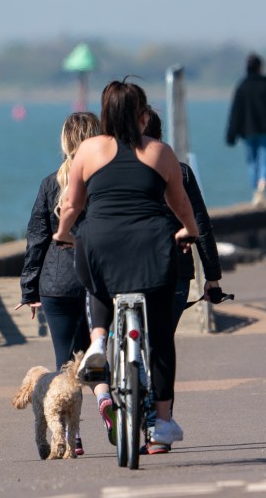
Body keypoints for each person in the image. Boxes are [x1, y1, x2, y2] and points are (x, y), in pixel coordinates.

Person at [53, 80, 200, 450]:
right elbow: (180, 203)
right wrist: (190, 231)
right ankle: (162, 422)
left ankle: (98, 340)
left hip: (99, 242)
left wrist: (62, 232)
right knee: (162, 336)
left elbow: (71, 204)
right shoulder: (159, 152)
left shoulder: (89, 150)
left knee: (100, 281)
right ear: (143, 114)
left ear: (104, 114)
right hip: (152, 246)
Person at [16, 111, 101, 455]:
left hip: (57, 283)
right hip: (97, 281)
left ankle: (71, 437)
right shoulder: (106, 182)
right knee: (95, 357)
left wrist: (29, 288)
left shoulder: (51, 183)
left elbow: (37, 237)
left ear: (65, 141)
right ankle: (109, 404)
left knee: (65, 364)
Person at [141, 107, 221, 454]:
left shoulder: (116, 169)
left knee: (136, 342)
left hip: (128, 265)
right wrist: (212, 278)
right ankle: (161, 422)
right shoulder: (180, 171)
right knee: (160, 343)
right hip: (175, 269)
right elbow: (200, 224)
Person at [225, 52, 266, 206]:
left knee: (252, 161)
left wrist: (231, 133)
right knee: (265, 158)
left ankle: (255, 191)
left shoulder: (242, 86)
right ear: (260, 67)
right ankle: (262, 185)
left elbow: (236, 112)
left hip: (248, 130)